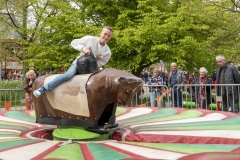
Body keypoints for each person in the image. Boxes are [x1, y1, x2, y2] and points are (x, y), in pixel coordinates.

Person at [33, 26, 113, 97]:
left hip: (92, 69)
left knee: (97, 81)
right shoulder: (90, 39)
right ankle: (44, 88)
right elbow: (74, 42)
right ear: (101, 33)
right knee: (68, 75)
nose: (106, 37)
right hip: (79, 64)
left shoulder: (107, 52)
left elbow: (102, 62)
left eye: (109, 36)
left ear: (110, 38)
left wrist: (92, 62)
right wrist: (84, 49)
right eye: (105, 34)